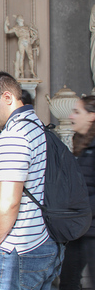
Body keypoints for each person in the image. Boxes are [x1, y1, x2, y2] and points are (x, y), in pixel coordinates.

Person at [0, 71, 64, 289]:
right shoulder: (37, 126)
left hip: (16, 251)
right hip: (44, 242)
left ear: (7, 97)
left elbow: (9, 201)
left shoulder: (13, 135)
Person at [59, 95, 95, 289]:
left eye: (77, 112)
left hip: (89, 228)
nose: (71, 116)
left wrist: (79, 209)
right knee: (68, 280)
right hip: (82, 229)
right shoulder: (83, 145)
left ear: (92, 116)